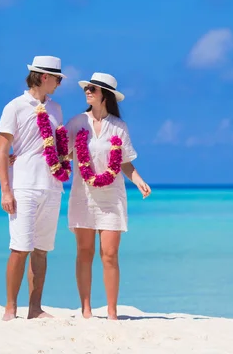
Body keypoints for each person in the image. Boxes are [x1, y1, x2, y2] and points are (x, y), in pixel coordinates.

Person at [65, 72, 151, 320]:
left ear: (106, 95)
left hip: (112, 197)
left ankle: (112, 312)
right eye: (87, 87)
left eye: (93, 88)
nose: (87, 91)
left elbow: (124, 163)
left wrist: (139, 181)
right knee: (84, 252)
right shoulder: (77, 122)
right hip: (84, 195)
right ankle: (86, 310)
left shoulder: (119, 126)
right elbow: (63, 152)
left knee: (110, 254)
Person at [0, 55, 69, 321]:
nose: (60, 83)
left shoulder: (56, 109)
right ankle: (10, 308)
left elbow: (58, 147)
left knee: (41, 249)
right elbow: (3, 151)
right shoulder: (14, 107)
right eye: (58, 78)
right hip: (24, 186)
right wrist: (6, 190)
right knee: (20, 247)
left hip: (52, 187)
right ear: (44, 76)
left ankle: (35, 308)